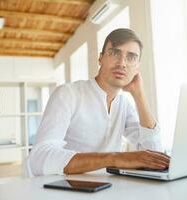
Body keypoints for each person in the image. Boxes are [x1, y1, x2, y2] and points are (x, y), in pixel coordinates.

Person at [29, 28, 170, 176]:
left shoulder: (124, 104)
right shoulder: (68, 94)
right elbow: (39, 159)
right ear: (100, 58)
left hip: (108, 189)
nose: (122, 63)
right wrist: (114, 158)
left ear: (137, 68)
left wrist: (139, 95)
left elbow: (155, 156)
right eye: (115, 53)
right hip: (64, 188)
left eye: (131, 57)